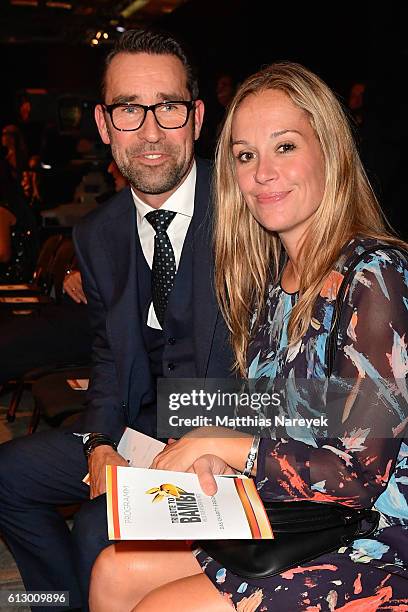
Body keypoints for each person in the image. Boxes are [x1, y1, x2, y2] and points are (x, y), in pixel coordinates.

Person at [89, 62, 408, 611]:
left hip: (374, 536)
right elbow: (293, 417)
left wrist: (224, 442)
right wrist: (223, 457)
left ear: (329, 150)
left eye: (284, 147)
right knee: (114, 570)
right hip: (300, 515)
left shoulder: (377, 275)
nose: (262, 173)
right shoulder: (272, 286)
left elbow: (356, 473)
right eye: (244, 155)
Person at [0, 28, 233, 611]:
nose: (151, 132)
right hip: (135, 426)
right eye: (130, 109)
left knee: (97, 528)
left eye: (169, 108)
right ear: (104, 125)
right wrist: (101, 440)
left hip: (222, 430)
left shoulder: (245, 207)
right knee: (9, 476)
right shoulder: (97, 234)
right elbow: (110, 357)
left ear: (197, 117)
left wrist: (209, 438)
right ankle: (64, 603)